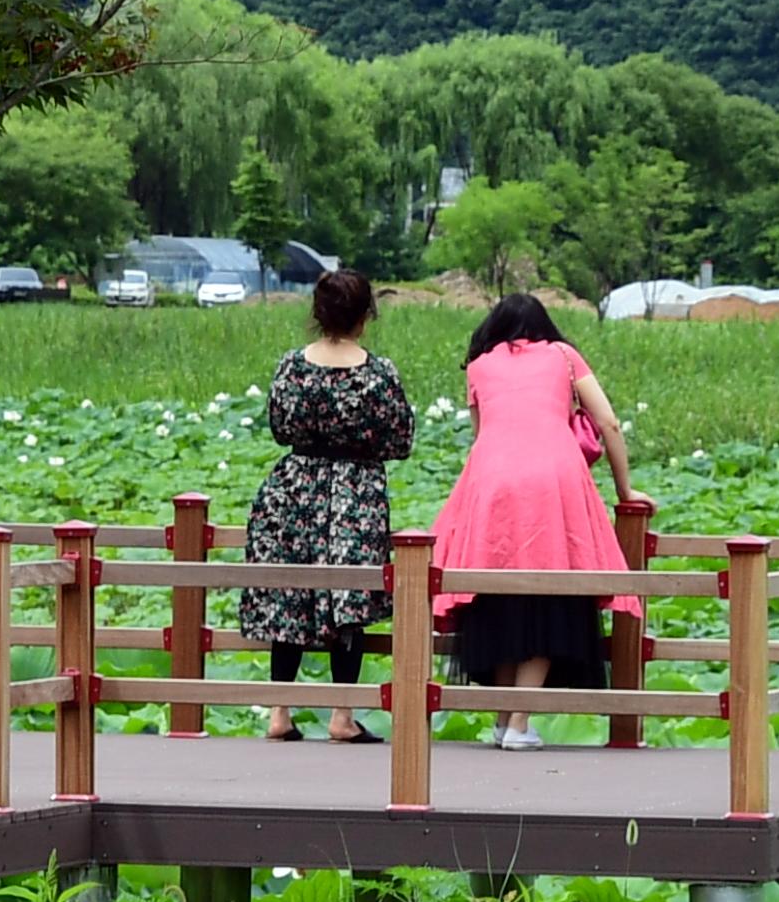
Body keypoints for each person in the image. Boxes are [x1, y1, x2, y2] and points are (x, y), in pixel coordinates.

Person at [429, 293, 635, 751]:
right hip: (553, 480)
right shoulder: (563, 356)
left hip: (491, 482)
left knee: (497, 597)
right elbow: (608, 423)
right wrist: (626, 491)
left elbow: (482, 433)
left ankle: (505, 721)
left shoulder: (479, 365)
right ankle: (519, 722)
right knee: (552, 595)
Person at [240, 270, 413, 743]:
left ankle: (279, 712)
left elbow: (279, 427)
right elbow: (401, 440)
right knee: (349, 600)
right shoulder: (379, 373)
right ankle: (342, 714)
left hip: (294, 485)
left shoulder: (291, 367)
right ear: (365, 317)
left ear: (317, 314)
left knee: (290, 595)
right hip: (355, 491)